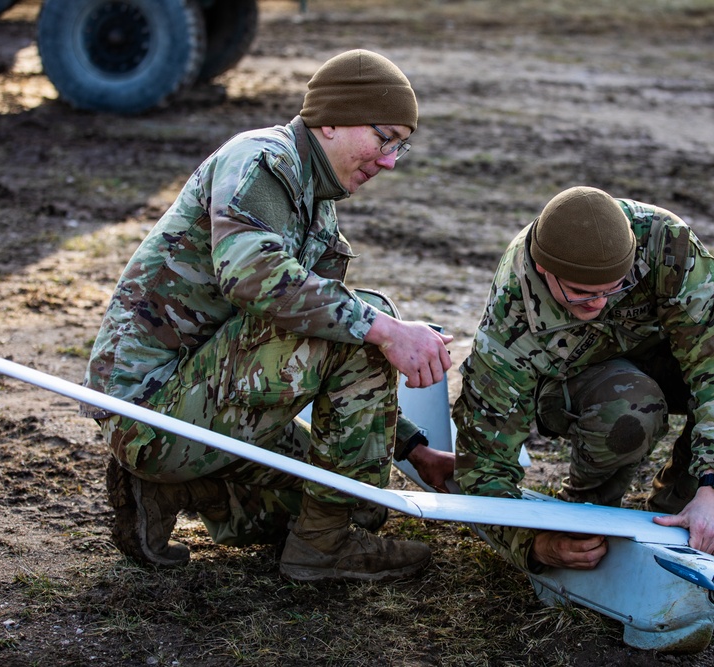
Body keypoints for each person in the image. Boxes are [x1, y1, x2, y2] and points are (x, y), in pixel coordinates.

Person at [81, 49, 456, 582]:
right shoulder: (263, 158)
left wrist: (415, 450)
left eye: (401, 145)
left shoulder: (317, 207)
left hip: (198, 406)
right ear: (331, 119)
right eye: (384, 137)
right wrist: (387, 329)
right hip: (153, 410)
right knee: (370, 317)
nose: (390, 160)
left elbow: (335, 351)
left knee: (364, 504)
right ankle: (320, 550)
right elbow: (251, 274)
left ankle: (176, 489)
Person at [451, 185, 714, 573]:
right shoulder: (510, 323)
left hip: (658, 351)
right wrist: (537, 544)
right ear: (545, 269)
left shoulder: (663, 241)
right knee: (630, 408)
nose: (599, 303)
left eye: (616, 288)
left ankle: (677, 513)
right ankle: (587, 511)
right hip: (573, 380)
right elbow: (482, 469)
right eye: (580, 293)